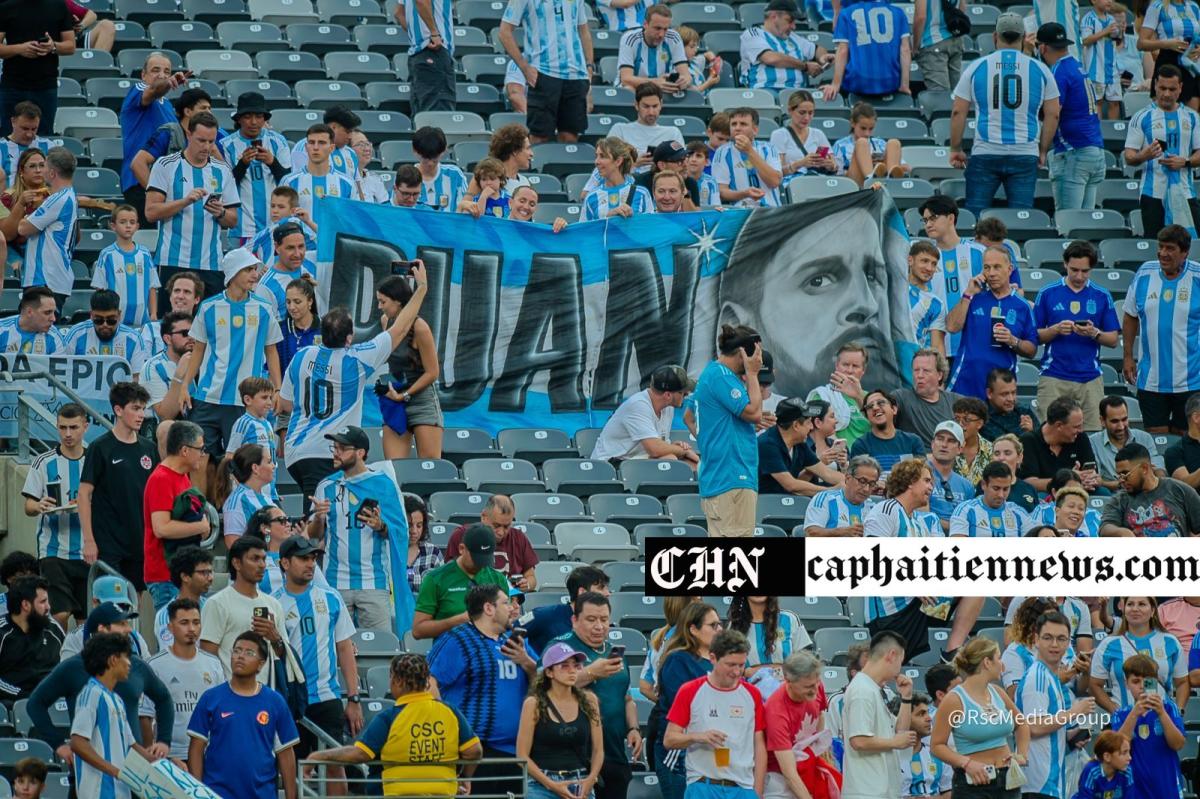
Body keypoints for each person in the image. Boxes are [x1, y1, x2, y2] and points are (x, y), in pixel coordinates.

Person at [281, 270, 428, 501]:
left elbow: (285, 405)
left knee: (332, 511)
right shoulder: (357, 359)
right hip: (327, 452)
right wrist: (421, 289)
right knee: (320, 520)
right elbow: (399, 329)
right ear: (349, 338)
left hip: (296, 451)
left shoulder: (302, 355)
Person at [171, 249, 280, 496]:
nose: (255, 275)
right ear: (233, 274)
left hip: (245, 402)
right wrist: (186, 386)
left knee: (241, 462)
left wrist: (278, 389)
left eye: (255, 270)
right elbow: (198, 350)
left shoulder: (263, 308)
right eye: (249, 270)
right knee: (199, 458)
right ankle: (201, 514)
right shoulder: (210, 307)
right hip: (208, 397)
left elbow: (271, 351)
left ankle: (236, 512)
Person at [312, 652, 484, 795]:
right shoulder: (450, 712)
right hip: (444, 792)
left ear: (398, 682)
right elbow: (474, 751)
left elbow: (360, 754)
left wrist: (318, 756)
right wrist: (464, 777)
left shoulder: (389, 717)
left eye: (391, 677)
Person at [949, 13, 1061, 216]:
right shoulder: (1041, 69)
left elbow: (958, 112)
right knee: (1020, 217)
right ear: (1024, 36)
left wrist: (956, 148)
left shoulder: (976, 67)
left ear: (995, 36)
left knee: (976, 216)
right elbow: (1053, 115)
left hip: (986, 150)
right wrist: (1043, 150)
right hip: (1025, 151)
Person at [429, 584, 537, 796]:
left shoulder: (515, 641)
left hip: (516, 751)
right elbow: (429, 680)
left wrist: (528, 663)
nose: (513, 608)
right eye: (506, 603)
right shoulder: (458, 639)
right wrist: (448, 726)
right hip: (474, 752)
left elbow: (543, 684)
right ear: (489, 608)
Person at [274, 535, 360, 789]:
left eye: (313, 558)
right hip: (291, 700)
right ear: (285, 563)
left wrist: (353, 697)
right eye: (303, 558)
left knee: (334, 766)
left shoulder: (331, 598)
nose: (310, 564)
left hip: (326, 697)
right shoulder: (274, 603)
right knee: (293, 768)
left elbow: (344, 647)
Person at [306, 426, 407, 633]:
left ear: (360, 453)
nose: (335, 452)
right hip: (334, 583)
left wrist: (380, 526)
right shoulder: (326, 486)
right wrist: (318, 517)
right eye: (334, 447)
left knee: (381, 648)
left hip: (374, 583)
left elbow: (399, 531)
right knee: (336, 648)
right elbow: (314, 535)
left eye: (342, 448)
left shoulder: (383, 484)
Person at [549, 593, 642, 799]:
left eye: (604, 619)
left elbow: (625, 697)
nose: (599, 626)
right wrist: (592, 672)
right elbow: (547, 688)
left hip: (615, 755)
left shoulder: (613, 651)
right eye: (591, 620)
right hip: (575, 760)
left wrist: (633, 728)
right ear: (574, 620)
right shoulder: (560, 647)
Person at [188, 630, 299, 799]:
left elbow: (285, 754)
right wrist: (197, 793)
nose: (240, 656)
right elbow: (196, 749)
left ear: (261, 664)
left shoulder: (275, 702)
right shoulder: (211, 698)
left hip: (263, 794)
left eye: (249, 653)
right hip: (217, 793)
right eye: (237, 650)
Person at [662, 630, 766, 799]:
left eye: (741, 665)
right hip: (703, 785)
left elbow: (759, 745)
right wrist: (698, 737)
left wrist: (758, 791)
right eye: (730, 664)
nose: (737, 672)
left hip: (742, 787)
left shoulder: (752, 694)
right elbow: (669, 739)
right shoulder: (690, 690)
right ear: (713, 658)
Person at [145, 112, 240, 296]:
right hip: (173, 261)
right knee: (172, 322)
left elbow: (233, 220)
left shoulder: (223, 170)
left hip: (211, 264)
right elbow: (150, 212)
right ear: (188, 135)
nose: (207, 147)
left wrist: (220, 213)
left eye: (211, 141)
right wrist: (185, 201)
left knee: (208, 324)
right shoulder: (165, 165)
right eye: (201, 140)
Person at [1033, 242, 1120, 431]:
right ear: (1065, 264)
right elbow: (1033, 337)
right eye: (1074, 270)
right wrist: (1055, 330)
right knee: (1049, 433)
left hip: (1090, 378)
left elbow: (1113, 340)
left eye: (1085, 271)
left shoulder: (1101, 295)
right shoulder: (1047, 293)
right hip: (1053, 376)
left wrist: (1094, 333)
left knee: (1093, 436)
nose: (1079, 276)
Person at [78, 382, 157, 589]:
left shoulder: (149, 449)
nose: (141, 415)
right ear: (118, 410)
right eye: (135, 408)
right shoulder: (100, 447)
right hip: (108, 543)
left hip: (139, 540)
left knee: (135, 602)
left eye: (143, 409)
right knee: (109, 600)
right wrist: (89, 540)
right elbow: (84, 494)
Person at [1121, 224, 1200, 433]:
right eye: (1161, 247)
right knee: (1157, 440)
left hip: (1190, 380)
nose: (1163, 254)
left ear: (1185, 252)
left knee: (1187, 440)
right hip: (1151, 379)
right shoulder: (1145, 273)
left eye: (1170, 249)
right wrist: (1128, 356)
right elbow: (1130, 315)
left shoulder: (1198, 278)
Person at [931, 637, 1030, 797]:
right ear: (987, 662)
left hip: (1007, 780)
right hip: (973, 782)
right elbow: (936, 745)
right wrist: (967, 764)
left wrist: (1022, 755)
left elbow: (1022, 724)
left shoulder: (997, 692)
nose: (1002, 664)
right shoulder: (954, 700)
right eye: (998, 658)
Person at [20, 403, 88, 628]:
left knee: (85, 619)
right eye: (63, 427)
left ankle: (82, 662)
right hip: (53, 550)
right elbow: (28, 506)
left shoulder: (93, 461)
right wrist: (39, 504)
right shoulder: (43, 461)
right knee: (60, 613)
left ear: (85, 427)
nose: (68, 434)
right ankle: (54, 661)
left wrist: (87, 505)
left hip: (86, 551)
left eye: (73, 427)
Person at [1016, 611, 1097, 799]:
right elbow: (1034, 727)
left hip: (1049, 782)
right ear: (1036, 640)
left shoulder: (1050, 676)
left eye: (1061, 639)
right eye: (1048, 638)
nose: (1054, 645)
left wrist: (1071, 735)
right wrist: (1074, 712)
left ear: (1069, 643)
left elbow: (1046, 725)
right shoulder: (1038, 677)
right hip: (1038, 783)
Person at [696, 324, 764, 537]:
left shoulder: (713, 375)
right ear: (745, 353)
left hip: (724, 475)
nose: (759, 360)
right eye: (757, 353)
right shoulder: (720, 376)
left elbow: (690, 415)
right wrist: (752, 374)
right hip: (731, 475)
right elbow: (754, 413)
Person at [70, 633, 158, 799]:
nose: (130, 664)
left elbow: (131, 745)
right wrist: (115, 772)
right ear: (113, 660)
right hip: (98, 792)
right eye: (126, 657)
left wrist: (165, 765)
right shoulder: (91, 694)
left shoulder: (116, 699)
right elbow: (77, 742)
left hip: (120, 792)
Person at [945, 246, 1038, 401]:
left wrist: (1012, 341)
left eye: (997, 267)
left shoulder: (1023, 306)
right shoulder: (974, 298)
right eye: (987, 268)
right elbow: (952, 327)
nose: (991, 273)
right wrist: (967, 294)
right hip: (964, 382)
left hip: (999, 390)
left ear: (1010, 269)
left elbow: (1032, 350)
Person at [515, 642, 604, 799]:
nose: (572, 671)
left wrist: (591, 779)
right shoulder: (533, 704)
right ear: (549, 672)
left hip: (580, 780)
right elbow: (522, 755)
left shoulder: (589, 700)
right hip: (542, 784)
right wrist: (551, 784)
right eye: (564, 666)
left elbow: (598, 750)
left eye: (575, 665)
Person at [141, 598, 225, 761]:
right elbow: (145, 715)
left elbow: (221, 710)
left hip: (208, 753)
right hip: (170, 755)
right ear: (170, 627)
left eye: (196, 622)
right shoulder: (155, 665)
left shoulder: (213, 664)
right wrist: (152, 755)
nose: (191, 629)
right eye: (184, 623)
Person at [499, 0, 593, 145]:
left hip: (576, 75)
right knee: (539, 136)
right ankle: (537, 168)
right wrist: (525, 68)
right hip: (544, 72)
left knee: (570, 137)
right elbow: (504, 32)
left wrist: (589, 67)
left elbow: (584, 30)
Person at [652, 603, 720, 799]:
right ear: (693, 629)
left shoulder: (720, 660)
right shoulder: (678, 660)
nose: (719, 630)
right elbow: (682, 707)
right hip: (679, 751)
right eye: (712, 625)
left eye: (719, 624)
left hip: (709, 748)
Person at [1125, 66, 1200, 238]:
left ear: (1180, 88)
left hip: (1185, 191)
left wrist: (1186, 162)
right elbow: (1129, 156)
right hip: (1153, 194)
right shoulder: (1141, 117)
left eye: (1172, 89)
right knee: (1157, 247)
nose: (1166, 94)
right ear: (1155, 86)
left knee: (1191, 246)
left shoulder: (1192, 117)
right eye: (1162, 88)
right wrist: (1145, 155)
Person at [1038, 24, 1107, 211]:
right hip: (1095, 151)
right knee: (1084, 227)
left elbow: (1053, 113)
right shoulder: (1077, 66)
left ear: (1042, 47)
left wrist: (1043, 150)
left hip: (1074, 152)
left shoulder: (1058, 71)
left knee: (1068, 222)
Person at [840, 631, 916, 799]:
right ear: (892, 655)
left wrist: (906, 698)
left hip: (881, 789)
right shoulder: (862, 690)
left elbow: (900, 731)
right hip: (867, 791)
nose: (899, 669)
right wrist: (894, 742)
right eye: (901, 662)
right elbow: (858, 740)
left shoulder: (873, 688)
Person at [143, 420, 210, 611]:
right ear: (185, 450)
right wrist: (200, 527)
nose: (203, 454)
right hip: (166, 575)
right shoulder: (161, 479)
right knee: (172, 638)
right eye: (200, 448)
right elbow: (161, 528)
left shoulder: (182, 477)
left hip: (182, 573)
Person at [375, 273, 443, 460]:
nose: (380, 307)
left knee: (429, 468)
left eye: (383, 302)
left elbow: (433, 372)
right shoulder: (385, 321)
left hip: (421, 400)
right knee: (394, 466)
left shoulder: (420, 327)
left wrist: (406, 395)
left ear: (398, 302)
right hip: (395, 399)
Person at [199, 537, 286, 680]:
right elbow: (207, 659)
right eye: (255, 558)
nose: (262, 565)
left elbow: (284, 656)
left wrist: (274, 637)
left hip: (264, 695)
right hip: (230, 695)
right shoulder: (217, 603)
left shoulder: (273, 604)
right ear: (237, 563)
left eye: (263, 559)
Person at [119, 54, 189, 220]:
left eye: (167, 71)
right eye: (155, 70)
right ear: (143, 75)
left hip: (167, 185)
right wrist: (168, 82)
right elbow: (154, 90)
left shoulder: (168, 106)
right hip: (140, 182)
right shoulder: (139, 89)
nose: (162, 75)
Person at [1091, 596, 1189, 714]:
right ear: (1124, 609)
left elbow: (1182, 682)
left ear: (1153, 610)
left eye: (1142, 604)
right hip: (1125, 725)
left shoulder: (1170, 642)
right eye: (1130, 604)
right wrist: (1116, 711)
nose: (1135, 609)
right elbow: (1094, 685)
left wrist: (1178, 712)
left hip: (1163, 723)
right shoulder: (1108, 644)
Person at [763, 651, 838, 799]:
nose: (815, 689)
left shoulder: (815, 685)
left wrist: (820, 748)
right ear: (788, 681)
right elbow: (789, 774)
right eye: (808, 686)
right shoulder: (776, 712)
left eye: (817, 682)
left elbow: (819, 714)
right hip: (779, 776)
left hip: (807, 764)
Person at [1110, 653, 1187, 799]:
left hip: (1167, 788)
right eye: (1136, 681)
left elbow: (1178, 744)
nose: (1142, 686)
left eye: (1148, 681)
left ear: (1156, 681)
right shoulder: (1120, 714)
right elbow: (1116, 748)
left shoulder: (1169, 708)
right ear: (1126, 683)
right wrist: (1134, 714)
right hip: (1134, 790)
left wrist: (1161, 713)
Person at [220, 92, 290, 246]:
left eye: (259, 116)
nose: (253, 122)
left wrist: (273, 162)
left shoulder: (278, 141)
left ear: (265, 119)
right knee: (243, 270)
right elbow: (224, 185)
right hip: (241, 229)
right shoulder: (226, 145)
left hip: (274, 227)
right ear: (239, 119)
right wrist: (242, 164)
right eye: (247, 117)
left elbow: (288, 182)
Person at [592, 364, 697, 464]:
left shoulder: (668, 407)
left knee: (691, 463)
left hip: (633, 460)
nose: (687, 394)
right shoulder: (638, 405)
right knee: (670, 460)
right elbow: (655, 449)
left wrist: (673, 447)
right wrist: (683, 451)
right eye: (683, 392)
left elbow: (658, 446)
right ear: (668, 395)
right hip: (611, 462)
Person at [17, 146, 77, 305]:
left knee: (38, 327)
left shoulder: (57, 199)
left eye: (43, 166)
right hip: (51, 279)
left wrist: (26, 216)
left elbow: (23, 228)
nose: (40, 171)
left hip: (45, 279)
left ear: (52, 173)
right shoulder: (68, 196)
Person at [1101, 442, 1200, 536]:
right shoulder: (1119, 500)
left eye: (1125, 474)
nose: (1121, 480)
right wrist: (1121, 532)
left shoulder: (1179, 490)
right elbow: (1105, 528)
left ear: (1144, 468)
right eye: (1118, 476)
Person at [444, 496, 538, 590]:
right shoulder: (462, 535)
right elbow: (450, 575)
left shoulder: (519, 538)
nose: (501, 532)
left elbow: (531, 577)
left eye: (506, 526)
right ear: (484, 517)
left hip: (511, 599)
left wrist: (527, 584)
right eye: (496, 526)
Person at [826, 0, 910, 99]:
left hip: (858, 81)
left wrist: (835, 84)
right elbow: (905, 50)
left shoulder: (846, 13)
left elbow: (842, 51)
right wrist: (905, 85)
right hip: (890, 81)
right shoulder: (899, 12)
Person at [91, 204, 159, 328]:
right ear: (113, 226)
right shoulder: (107, 254)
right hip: (115, 320)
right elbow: (99, 287)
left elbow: (152, 286)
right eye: (123, 222)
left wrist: (153, 313)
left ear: (137, 226)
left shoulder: (145, 254)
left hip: (142, 320)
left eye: (132, 222)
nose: (128, 226)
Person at [759, 398, 844, 497]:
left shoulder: (799, 443)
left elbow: (826, 473)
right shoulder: (767, 445)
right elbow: (790, 484)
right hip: (764, 505)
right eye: (808, 423)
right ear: (796, 425)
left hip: (788, 503)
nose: (812, 427)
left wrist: (852, 483)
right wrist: (831, 491)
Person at [741, 0, 831, 91]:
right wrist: (805, 66)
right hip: (765, 90)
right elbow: (770, 58)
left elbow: (818, 49)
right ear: (774, 17)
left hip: (797, 93)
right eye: (789, 20)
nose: (793, 26)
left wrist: (823, 58)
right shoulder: (752, 34)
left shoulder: (794, 37)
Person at [0, 576, 64, 699]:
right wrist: (25, 696)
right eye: (42, 602)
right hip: (10, 704)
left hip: (51, 703)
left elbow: (67, 669)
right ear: (25, 605)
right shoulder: (2, 632)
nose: (48, 607)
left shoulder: (53, 630)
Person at [522, 566, 610, 654]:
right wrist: (529, 663)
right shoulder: (543, 615)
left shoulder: (600, 625)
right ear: (582, 592)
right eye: (601, 588)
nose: (608, 593)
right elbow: (510, 634)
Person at [1019, 398, 1101, 493]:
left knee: (1103, 493)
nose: (1081, 430)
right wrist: (1068, 480)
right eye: (1076, 427)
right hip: (1047, 493)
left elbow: (1097, 478)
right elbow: (1028, 482)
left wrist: (1090, 479)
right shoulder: (1029, 440)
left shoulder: (1080, 437)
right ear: (1059, 425)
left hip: (1080, 490)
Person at [727, 597, 813, 687]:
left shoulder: (789, 619)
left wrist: (760, 671)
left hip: (789, 690)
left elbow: (807, 662)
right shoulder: (734, 626)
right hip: (750, 692)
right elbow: (730, 668)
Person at [279, 124, 357, 221]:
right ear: (306, 147)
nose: (315, 147)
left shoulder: (347, 183)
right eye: (311, 142)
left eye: (321, 143)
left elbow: (352, 220)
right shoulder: (289, 182)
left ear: (332, 148)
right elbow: (281, 220)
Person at [712, 107, 783, 208]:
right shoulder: (722, 152)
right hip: (741, 211)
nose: (737, 128)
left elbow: (774, 181)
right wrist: (745, 194)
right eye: (733, 124)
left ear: (755, 130)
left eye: (743, 124)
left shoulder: (768, 149)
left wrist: (749, 151)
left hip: (771, 210)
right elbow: (722, 192)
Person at [63, 289, 146, 370]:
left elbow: (137, 377)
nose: (105, 325)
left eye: (111, 320)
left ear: (119, 315)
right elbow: (62, 369)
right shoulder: (76, 334)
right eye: (98, 320)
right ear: (91, 315)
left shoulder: (134, 339)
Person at [1091, 395, 1163, 490]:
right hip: (1111, 497)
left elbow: (1159, 471)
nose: (1121, 426)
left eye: (1124, 419)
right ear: (1102, 421)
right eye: (1115, 421)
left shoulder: (1144, 438)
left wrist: (1158, 476)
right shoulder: (1093, 442)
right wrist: (1119, 484)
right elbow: (1097, 481)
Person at [1139, 0, 1200, 110]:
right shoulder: (1157, 6)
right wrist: (1166, 44)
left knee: (1191, 116)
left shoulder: (1194, 6)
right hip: (1168, 63)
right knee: (1164, 113)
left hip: (1191, 64)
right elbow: (1141, 43)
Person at [894, 349, 961, 444]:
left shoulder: (956, 401)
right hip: (916, 457)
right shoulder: (901, 398)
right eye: (916, 370)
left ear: (939, 375)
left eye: (926, 371)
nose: (920, 375)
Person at [850, 390, 927, 472]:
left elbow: (922, 476)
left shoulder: (913, 441)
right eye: (869, 406)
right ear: (866, 416)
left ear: (894, 409)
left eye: (881, 403)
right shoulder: (861, 445)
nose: (875, 408)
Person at [802, 454, 879, 536]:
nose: (866, 489)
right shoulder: (825, 499)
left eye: (872, 484)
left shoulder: (873, 507)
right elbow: (811, 533)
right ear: (848, 478)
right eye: (862, 481)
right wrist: (841, 532)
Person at [152, 547, 214, 649]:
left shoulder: (211, 606)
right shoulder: (166, 615)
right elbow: (172, 657)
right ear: (185, 576)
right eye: (203, 573)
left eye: (210, 572)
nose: (210, 578)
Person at [770, 90, 836, 185]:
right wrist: (800, 163)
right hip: (793, 183)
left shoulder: (818, 134)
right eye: (802, 112)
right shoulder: (779, 135)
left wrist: (830, 165)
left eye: (810, 113)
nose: (806, 118)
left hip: (818, 181)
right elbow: (777, 173)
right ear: (790, 111)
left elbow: (833, 165)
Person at [253, 221, 315, 323]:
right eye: (290, 248)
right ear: (277, 247)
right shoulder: (266, 286)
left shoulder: (312, 261)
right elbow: (265, 327)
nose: (297, 254)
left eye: (301, 246)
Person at [949, 462, 1031, 537]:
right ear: (983, 485)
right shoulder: (965, 510)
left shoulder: (1019, 512)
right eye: (996, 488)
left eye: (1005, 489)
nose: (1001, 495)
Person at [617, 5, 691, 90]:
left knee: (692, 90)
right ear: (645, 24)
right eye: (657, 28)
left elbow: (686, 75)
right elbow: (626, 79)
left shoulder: (674, 37)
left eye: (665, 29)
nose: (661, 34)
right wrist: (655, 82)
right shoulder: (630, 38)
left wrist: (684, 81)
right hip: (637, 87)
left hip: (662, 88)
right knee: (628, 89)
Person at [402, 0, 455, 113]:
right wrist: (433, 33)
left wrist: (418, 37)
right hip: (434, 49)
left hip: (418, 52)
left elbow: (398, 12)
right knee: (438, 113)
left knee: (422, 113)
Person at [141, 310, 194, 424]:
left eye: (193, 332)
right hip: (168, 432)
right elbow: (165, 416)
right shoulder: (153, 367)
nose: (191, 337)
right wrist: (179, 376)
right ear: (167, 339)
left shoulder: (203, 361)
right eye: (185, 333)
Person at [610, 84, 685, 163]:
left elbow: (681, 164)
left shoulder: (673, 133)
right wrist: (633, 165)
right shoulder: (619, 130)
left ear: (661, 104)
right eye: (646, 106)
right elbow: (608, 165)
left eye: (655, 106)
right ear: (636, 105)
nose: (651, 112)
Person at [288, 106, 360, 181]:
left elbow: (357, 185)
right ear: (333, 128)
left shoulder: (351, 153)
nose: (351, 136)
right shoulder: (305, 146)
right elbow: (299, 181)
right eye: (348, 132)